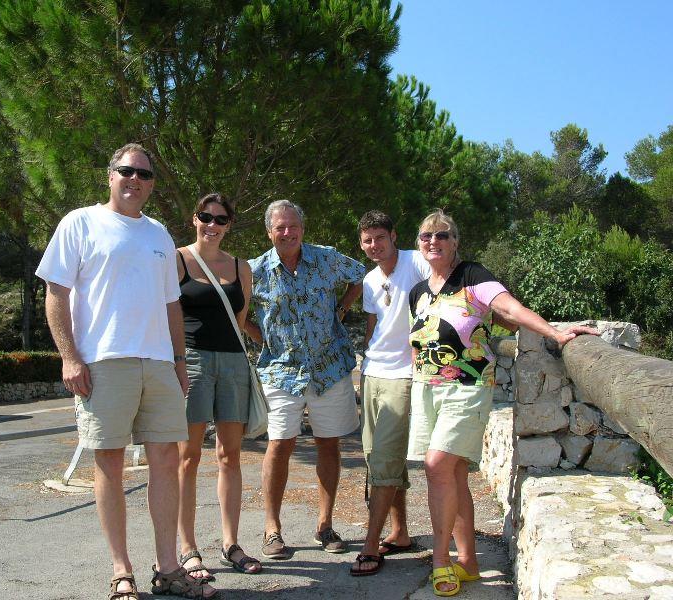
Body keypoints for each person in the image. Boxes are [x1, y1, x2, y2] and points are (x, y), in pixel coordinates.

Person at [36, 143, 216, 600]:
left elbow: (172, 305)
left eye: (144, 174)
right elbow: (56, 295)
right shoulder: (79, 222)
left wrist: (179, 362)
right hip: (103, 362)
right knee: (110, 463)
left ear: (152, 183)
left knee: (166, 462)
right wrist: (70, 357)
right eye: (126, 171)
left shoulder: (157, 235)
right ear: (110, 175)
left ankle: (169, 568)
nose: (135, 179)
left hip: (158, 363)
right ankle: (121, 572)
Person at [407, 209, 596, 597]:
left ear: (455, 241)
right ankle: (469, 563)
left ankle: (441, 562)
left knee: (437, 466)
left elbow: (509, 309)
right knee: (453, 474)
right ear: (419, 243)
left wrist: (555, 332)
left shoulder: (473, 276)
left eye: (442, 235)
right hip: (427, 389)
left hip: (467, 386)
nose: (433, 242)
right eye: (426, 236)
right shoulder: (419, 292)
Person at [244, 199, 365, 559]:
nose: (287, 232)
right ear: (269, 232)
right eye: (280, 227)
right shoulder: (254, 271)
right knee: (280, 444)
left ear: (302, 227)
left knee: (329, 444)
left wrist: (342, 308)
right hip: (281, 371)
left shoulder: (327, 258)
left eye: (293, 225)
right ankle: (272, 529)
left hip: (330, 368)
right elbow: (236, 311)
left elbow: (360, 276)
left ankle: (325, 525)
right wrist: (259, 336)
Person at [175, 193, 262, 581]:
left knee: (230, 456)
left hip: (232, 363)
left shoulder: (242, 266)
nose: (212, 225)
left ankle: (230, 543)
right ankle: (188, 548)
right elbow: (168, 314)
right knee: (187, 457)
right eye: (205, 217)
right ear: (194, 218)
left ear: (229, 224)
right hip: (191, 361)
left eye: (221, 219)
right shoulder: (176, 260)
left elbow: (239, 318)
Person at [350, 210, 431, 576]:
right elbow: (373, 323)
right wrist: (365, 363)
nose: (373, 246)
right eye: (367, 240)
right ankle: (399, 533)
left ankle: (370, 545)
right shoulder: (369, 279)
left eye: (379, 238)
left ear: (394, 236)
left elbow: (445, 284)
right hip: (371, 374)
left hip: (404, 375)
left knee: (383, 459)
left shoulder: (416, 263)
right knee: (376, 458)